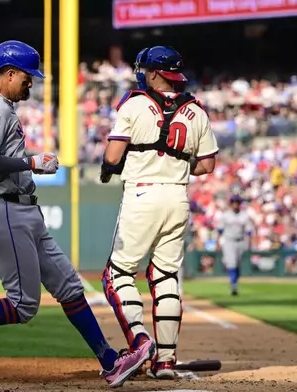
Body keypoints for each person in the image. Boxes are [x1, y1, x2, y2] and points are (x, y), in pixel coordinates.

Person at [0, 40, 154, 388]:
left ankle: (110, 362)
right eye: (27, 78)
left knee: (70, 287)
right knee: (24, 305)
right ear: (9, 74)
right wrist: (28, 163)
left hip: (19, 209)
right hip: (6, 210)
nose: (31, 84)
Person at [99, 46, 219, 380]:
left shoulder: (134, 103)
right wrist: (174, 162)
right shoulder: (196, 110)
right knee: (165, 277)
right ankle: (165, 361)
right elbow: (207, 164)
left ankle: (140, 342)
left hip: (142, 193)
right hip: (177, 197)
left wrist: (112, 167)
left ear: (153, 73)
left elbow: (112, 155)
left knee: (117, 274)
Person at [216, 195, 254, 296]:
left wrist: (250, 243)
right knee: (232, 263)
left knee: (238, 265)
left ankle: (234, 282)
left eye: (237, 203)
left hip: (241, 241)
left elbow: (249, 231)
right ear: (231, 204)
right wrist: (217, 242)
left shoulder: (244, 215)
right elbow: (220, 230)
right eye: (233, 203)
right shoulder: (226, 215)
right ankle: (233, 285)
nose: (235, 205)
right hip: (229, 241)